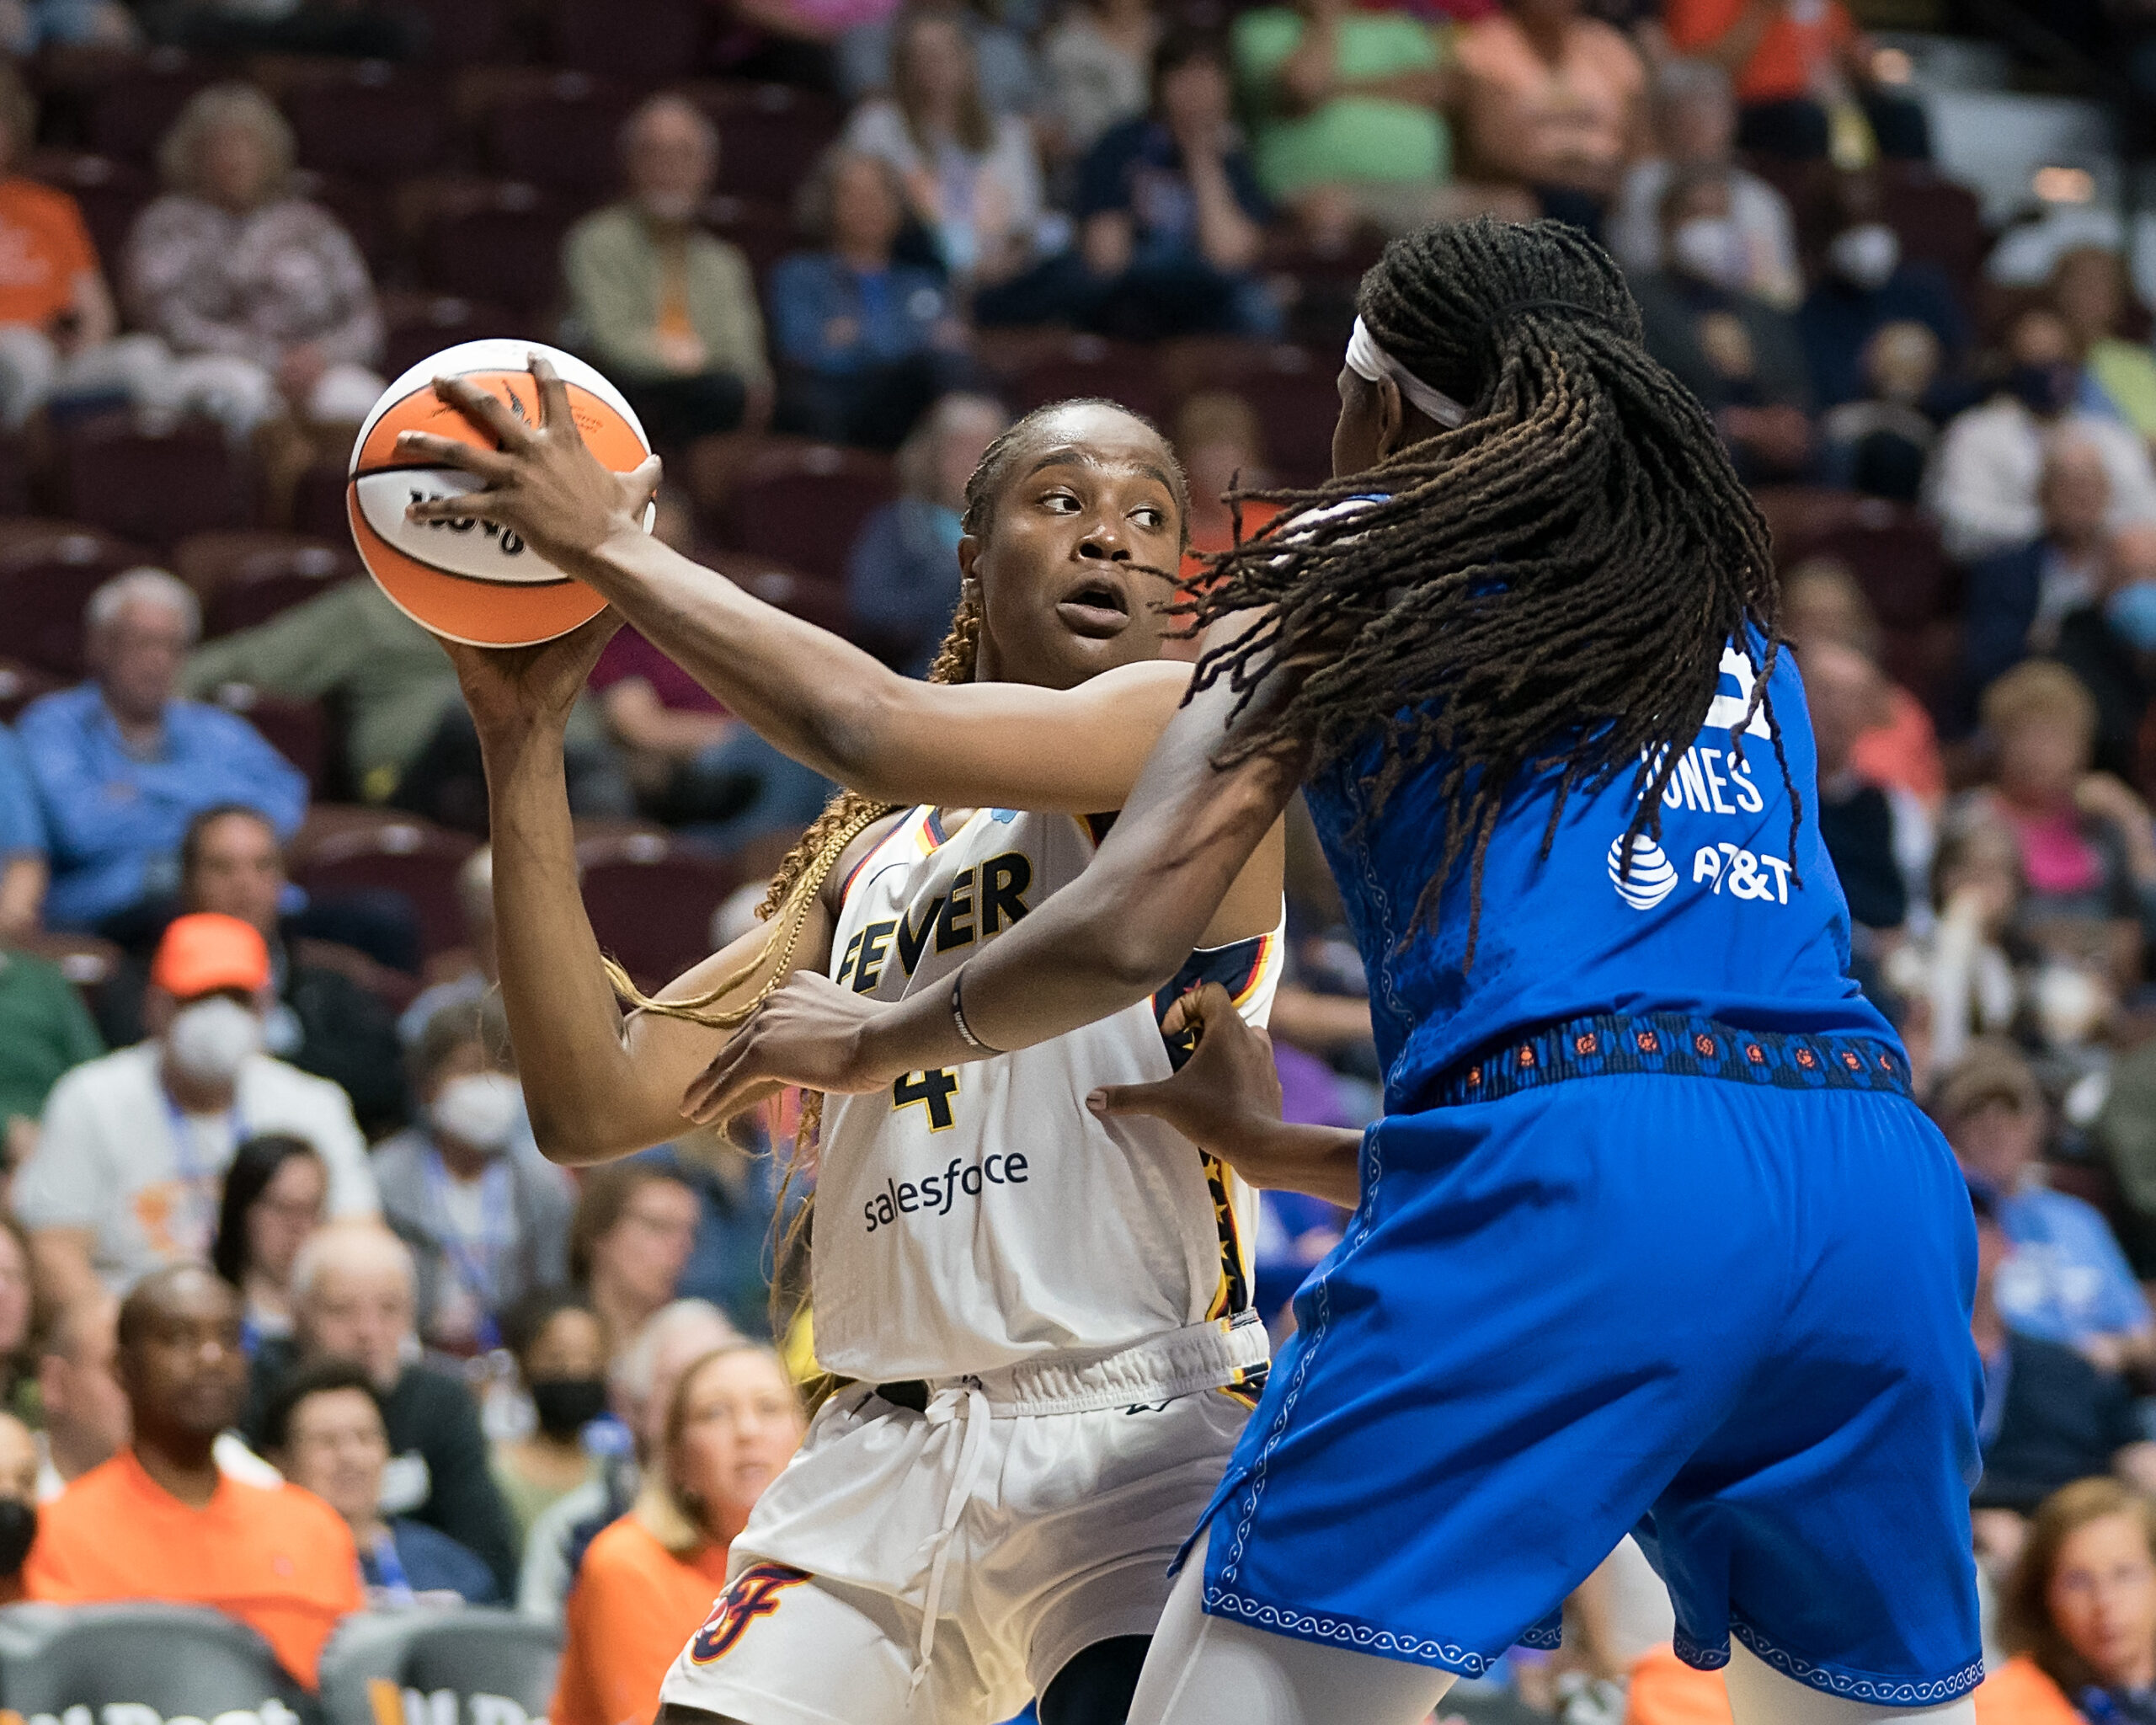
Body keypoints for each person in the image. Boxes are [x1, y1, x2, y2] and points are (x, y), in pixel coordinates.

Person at [694, 216, 1991, 1723]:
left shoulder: (1343, 560)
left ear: (1380, 401)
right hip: (1879, 1195)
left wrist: (883, 1033)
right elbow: (1702, 1088)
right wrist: (1275, 1146)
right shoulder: (1730, 633)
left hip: (1586, 1183)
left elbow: (1109, 910)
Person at [393, 371, 1288, 1725]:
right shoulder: (869, 858)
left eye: (1152, 515)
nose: (1114, 533)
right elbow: (588, 1103)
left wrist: (615, 549)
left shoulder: (1189, 736)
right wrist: (523, 739)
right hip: (884, 1445)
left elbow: (859, 718)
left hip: (1134, 1435)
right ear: (973, 559)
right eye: (1063, 499)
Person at [15, 911, 376, 1311]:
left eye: (237, 998)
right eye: (199, 997)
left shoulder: (313, 1105)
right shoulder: (91, 1099)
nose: (218, 1016)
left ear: (265, 1006)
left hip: (279, 1336)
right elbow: (55, 1250)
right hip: (135, 1332)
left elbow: (357, 1239)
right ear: (156, 1005)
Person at [24, 1266, 363, 1687]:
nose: (212, 1359)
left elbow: (357, 1696)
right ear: (122, 1368)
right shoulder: (54, 1537)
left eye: (229, 1339)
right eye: (180, 1339)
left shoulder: (314, 1529)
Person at [17, 568, 307, 934]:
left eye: (172, 646)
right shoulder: (53, 725)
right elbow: (82, 830)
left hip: (221, 899)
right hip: (111, 913)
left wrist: (139, 786)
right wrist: (213, 809)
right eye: (142, 643)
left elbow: (284, 805)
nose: (158, 661)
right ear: (100, 646)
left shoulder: (214, 728)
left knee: (373, 919)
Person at [95, 805, 406, 1135]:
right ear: (187, 881)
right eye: (222, 868)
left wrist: (267, 1052)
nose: (245, 884)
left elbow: (387, 1083)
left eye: (263, 866)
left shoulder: (326, 986)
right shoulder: (144, 984)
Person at [246, 1225, 520, 1597]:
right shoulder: (252, 1390)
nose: (368, 1331)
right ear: (298, 1314)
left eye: (389, 1309)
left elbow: (488, 1559)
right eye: (342, 1311)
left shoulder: (444, 1403)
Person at [552, 1345, 804, 1725]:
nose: (748, 1431)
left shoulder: (829, 1561)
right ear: (678, 1457)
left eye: (769, 1408)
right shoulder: (627, 1562)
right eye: (714, 1413)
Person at [124, 83, 384, 434]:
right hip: (211, 364)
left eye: (247, 143)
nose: (235, 157)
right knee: (246, 395)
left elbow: (363, 316)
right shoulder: (166, 223)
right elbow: (163, 317)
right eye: (221, 145)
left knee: (366, 403)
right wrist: (268, 358)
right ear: (194, 154)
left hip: (315, 365)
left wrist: (321, 357)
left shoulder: (312, 224)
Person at [1966, 1181, 2156, 1578]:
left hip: (2077, 1543)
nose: (1962, 1234)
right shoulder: (1891, 1373)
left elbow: (2137, 1456)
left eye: (1979, 1222)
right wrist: (1973, 1527)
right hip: (1965, 1552)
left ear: (2009, 1247)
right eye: (1948, 1220)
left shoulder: (2067, 1369)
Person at [563, 95, 771, 451]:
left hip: (705, 408)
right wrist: (694, 358)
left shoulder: (724, 262)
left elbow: (745, 361)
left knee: (728, 395)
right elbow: (613, 344)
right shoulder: (595, 242)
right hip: (624, 399)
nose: (668, 168)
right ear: (630, 163)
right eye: (654, 153)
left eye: (684, 155)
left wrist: (683, 358)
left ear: (708, 168)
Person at [1936, 1038, 2153, 1375]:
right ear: (1948, 1127)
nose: (1996, 1125)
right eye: (1976, 1109)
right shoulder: (1944, 1225)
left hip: (2097, 1400)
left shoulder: (2078, 1220)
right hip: (2009, 1401)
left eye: (2010, 1108)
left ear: (2035, 1123)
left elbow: (2142, 1336)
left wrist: (2112, 1351)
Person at [1044, 29, 1279, 341]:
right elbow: (1105, 255)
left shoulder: (1234, 160)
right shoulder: (1120, 145)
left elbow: (1228, 254)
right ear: (1158, 84)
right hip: (1134, 290)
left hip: (1210, 294)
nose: (1196, 90)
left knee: (1257, 308)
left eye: (1208, 76)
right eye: (1183, 74)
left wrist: (1200, 158)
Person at [516, 1296, 739, 1621]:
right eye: (676, 1382)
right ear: (632, 1403)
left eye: (722, 1387)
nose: (698, 1404)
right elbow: (540, 1659)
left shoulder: (778, 1530)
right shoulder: (575, 1531)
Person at [373, 998, 573, 1355]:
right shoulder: (384, 1180)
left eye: (503, 1070)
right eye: (468, 1069)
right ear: (427, 1085)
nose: (489, 1085)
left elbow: (551, 1296)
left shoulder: (544, 1185)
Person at [1961, 660, 2156, 992]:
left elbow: (2148, 920)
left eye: (2053, 737)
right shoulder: (1974, 819)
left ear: (2083, 747)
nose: (2036, 752)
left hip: (2117, 998)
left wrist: (2131, 820)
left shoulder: (2104, 823)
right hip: (2018, 993)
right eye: (2021, 735)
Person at [1230, 0, 1488, 243]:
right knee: (1329, 216)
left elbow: (1436, 88)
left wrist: (1336, 89)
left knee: (1512, 210)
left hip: (1420, 191)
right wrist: (1326, 18)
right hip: (1319, 193)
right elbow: (1304, 87)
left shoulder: (1397, 26)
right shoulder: (1259, 30)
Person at [768, 147, 968, 450]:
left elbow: (949, 351)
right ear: (828, 204)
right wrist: (908, 338)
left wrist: (856, 337)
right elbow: (802, 352)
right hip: (841, 404)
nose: (868, 207)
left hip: (912, 406)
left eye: (879, 196)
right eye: (853, 196)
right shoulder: (800, 276)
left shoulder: (920, 282)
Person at [1929, 307, 2156, 565]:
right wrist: (2047, 522)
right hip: (2006, 577)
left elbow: (2148, 512)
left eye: (2059, 357)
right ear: (2011, 364)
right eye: (2035, 359)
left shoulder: (2112, 436)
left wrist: (2090, 524)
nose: (2049, 368)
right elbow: (1955, 526)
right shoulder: (1974, 433)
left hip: (2099, 580)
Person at [1630, 165, 1812, 483]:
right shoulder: (1637, 302)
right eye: (1696, 214)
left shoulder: (1759, 308)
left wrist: (1789, 419)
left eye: (1720, 216)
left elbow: (1794, 382)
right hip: (1694, 438)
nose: (1710, 228)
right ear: (1666, 224)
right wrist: (1735, 425)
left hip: (1770, 443)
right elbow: (1645, 392)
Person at [843, 8, 1047, 289]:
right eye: (921, 56)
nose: (933, 66)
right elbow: (855, 212)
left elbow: (1025, 225)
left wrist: (999, 266)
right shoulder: (877, 125)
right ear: (903, 64)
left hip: (999, 278)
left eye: (944, 53)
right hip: (908, 269)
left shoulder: (1009, 133)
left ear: (968, 60)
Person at [267, 1359, 499, 1606]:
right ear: (280, 1462)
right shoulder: (265, 1564)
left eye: (365, 1437)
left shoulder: (453, 1570)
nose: (350, 1456)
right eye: (326, 1441)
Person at [588, 619, 835, 847]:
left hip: (749, 739)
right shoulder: (619, 641)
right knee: (784, 759)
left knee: (822, 747)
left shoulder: (703, 629)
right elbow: (642, 728)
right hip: (691, 760)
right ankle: (744, 865)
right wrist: (736, 733)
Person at [1607, 59, 1798, 308]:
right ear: (1665, 123)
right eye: (1687, 114)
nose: (1699, 127)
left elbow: (1783, 291)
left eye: (1710, 114)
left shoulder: (1762, 200)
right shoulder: (1643, 186)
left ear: (1732, 121)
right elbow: (1636, 270)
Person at [845, 390, 1010, 675]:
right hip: (918, 678)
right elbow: (870, 610)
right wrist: (952, 583)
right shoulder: (897, 525)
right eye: (960, 447)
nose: (973, 461)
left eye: (986, 448)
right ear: (932, 454)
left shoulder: (1018, 532)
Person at [1453, 0, 1647, 235]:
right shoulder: (1487, 45)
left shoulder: (1608, 44)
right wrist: (1574, 177)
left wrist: (1616, 177)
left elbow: (1642, 140)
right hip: (1534, 181)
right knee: (1572, 207)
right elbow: (1490, 147)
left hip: (1608, 176)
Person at [1960, 436, 2114, 723]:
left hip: (2108, 710)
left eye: (2089, 487)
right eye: (2068, 487)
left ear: (2107, 495)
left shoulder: (2125, 567)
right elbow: (1986, 656)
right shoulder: (2002, 569)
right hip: (2024, 703)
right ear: (2042, 495)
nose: (2080, 498)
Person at [1661, 0, 1929, 163]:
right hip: (1749, 108)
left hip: (1826, 104)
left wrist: (1864, 63)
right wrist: (1762, 10)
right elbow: (1698, 69)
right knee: (1804, 119)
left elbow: (1850, 51)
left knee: (1905, 116)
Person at [1796, 172, 1967, 414]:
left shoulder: (1925, 289)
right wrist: (1873, 371)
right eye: (1849, 227)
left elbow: (1966, 376)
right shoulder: (1817, 310)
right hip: (1856, 426)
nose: (1864, 238)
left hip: (1935, 419)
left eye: (1870, 221)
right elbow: (1823, 396)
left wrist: (1921, 382)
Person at [1989, 1477, 2156, 1723]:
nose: (2104, 1602)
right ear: (2043, 1594)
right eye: (2078, 1582)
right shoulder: (2004, 1708)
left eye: (2125, 1574)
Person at [490, 1288, 607, 1545]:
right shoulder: (496, 1472)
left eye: (591, 1359)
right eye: (558, 1359)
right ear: (524, 1366)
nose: (576, 1371)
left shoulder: (616, 1474)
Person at [2058, 521, 2156, 785]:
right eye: (2128, 576)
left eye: (2152, 577)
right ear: (2101, 580)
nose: (2142, 588)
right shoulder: (2072, 643)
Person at [210, 1132, 326, 1353]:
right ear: (242, 1212)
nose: (299, 1226)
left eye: (311, 1209)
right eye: (282, 1208)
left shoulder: (345, 1313)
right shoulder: (210, 1309)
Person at [569, 1163, 700, 1358]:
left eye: (688, 1233)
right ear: (600, 1231)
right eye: (659, 1226)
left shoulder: (692, 1339)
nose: (682, 1247)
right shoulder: (563, 1338)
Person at [2051, 243, 2156, 446]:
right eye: (2079, 285)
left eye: (2101, 287)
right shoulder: (2036, 351)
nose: (2089, 297)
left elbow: (2151, 438)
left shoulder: (2136, 363)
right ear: (2058, 291)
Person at [34, 1291, 128, 1499]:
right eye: (118, 1371)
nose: (137, 1389)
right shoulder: (14, 1483)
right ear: (54, 1383)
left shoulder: (209, 1473)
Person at [1040, 0, 1157, 163]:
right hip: (1083, 164)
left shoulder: (1169, 40)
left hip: (1154, 163)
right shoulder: (1066, 45)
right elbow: (1050, 121)